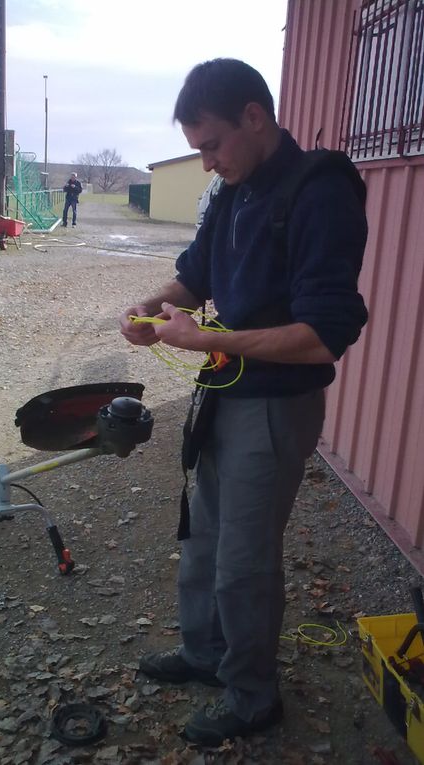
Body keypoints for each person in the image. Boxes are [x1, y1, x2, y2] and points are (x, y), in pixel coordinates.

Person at [119, 58, 368, 746]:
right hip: (225, 397)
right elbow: (194, 275)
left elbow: (325, 335)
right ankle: (206, 655)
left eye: (211, 145)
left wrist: (202, 340)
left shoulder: (319, 192)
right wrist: (150, 305)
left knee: (245, 562)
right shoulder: (235, 188)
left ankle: (254, 695)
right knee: (202, 543)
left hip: (275, 407)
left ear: (254, 118)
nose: (206, 163)